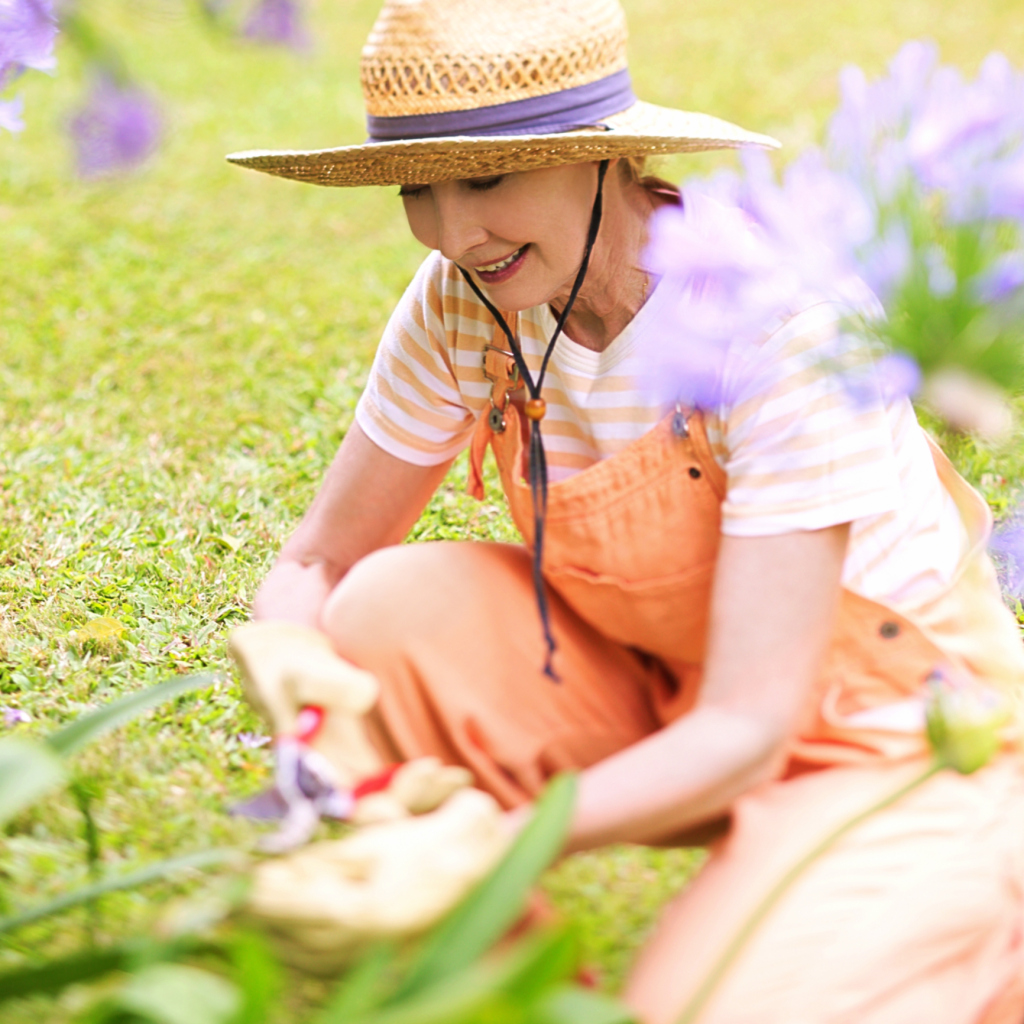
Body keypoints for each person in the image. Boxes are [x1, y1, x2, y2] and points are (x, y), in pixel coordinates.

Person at [226, 0, 1024, 1020]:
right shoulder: (465, 299)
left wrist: (504, 833)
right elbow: (321, 567)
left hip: (899, 734)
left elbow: (749, 721)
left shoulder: (775, 319)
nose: (453, 232)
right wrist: (293, 659)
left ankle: (978, 913)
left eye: (485, 177)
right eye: (416, 190)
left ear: (601, 158)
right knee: (382, 612)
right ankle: (500, 976)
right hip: (666, 686)